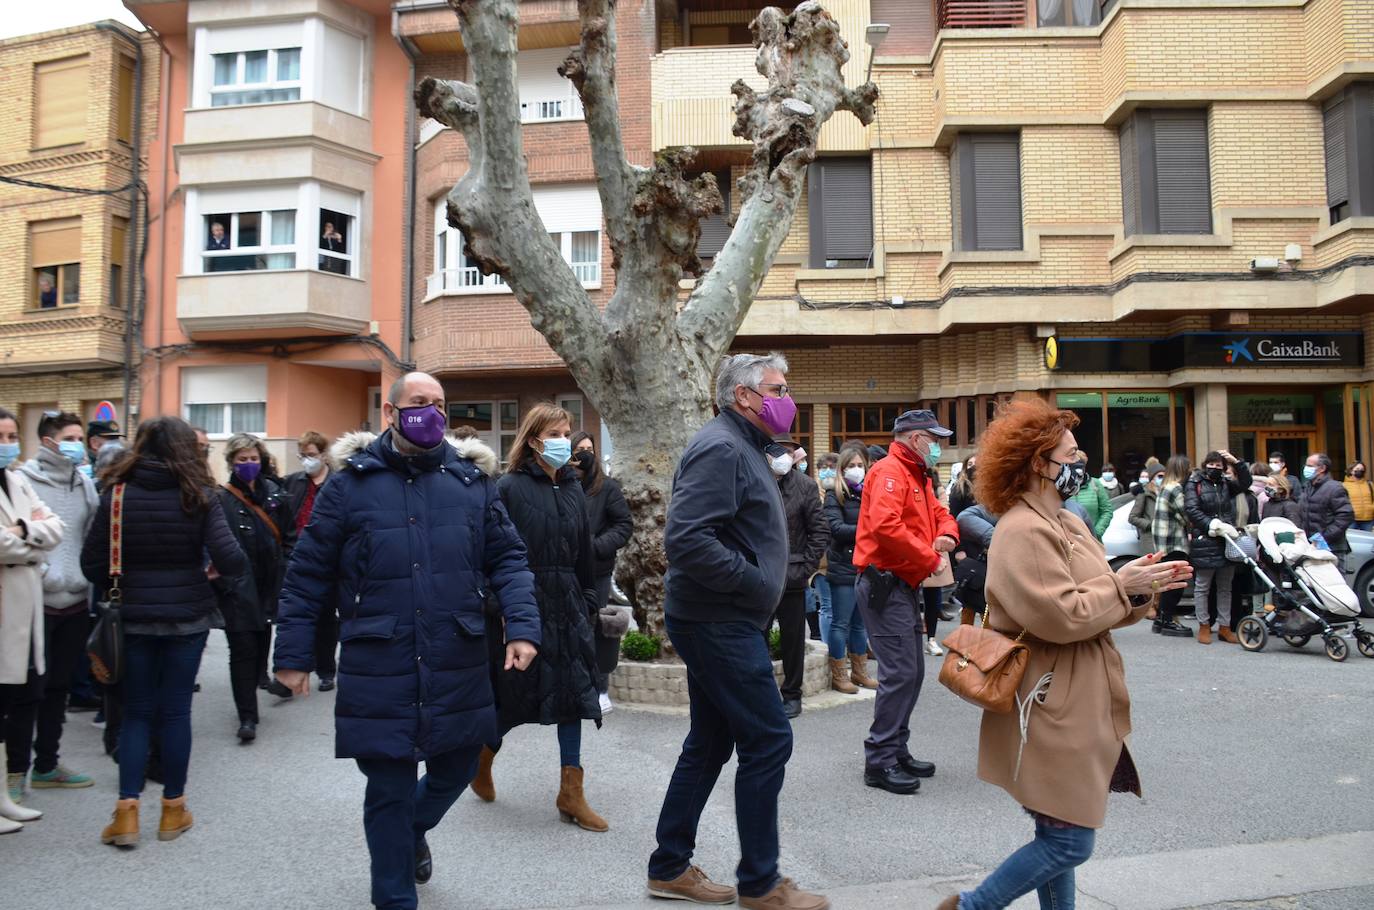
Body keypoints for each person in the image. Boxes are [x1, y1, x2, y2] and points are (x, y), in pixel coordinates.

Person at [272, 371, 540, 910]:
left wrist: (522, 624)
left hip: (456, 655)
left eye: (439, 404)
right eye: (419, 403)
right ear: (390, 415)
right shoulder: (350, 486)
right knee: (388, 788)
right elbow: (308, 573)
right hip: (381, 659)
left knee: (457, 768)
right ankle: (394, 896)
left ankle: (410, 832)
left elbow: (508, 558)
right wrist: (294, 655)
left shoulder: (471, 483)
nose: (432, 413)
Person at [939, 400, 1190, 910]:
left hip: (1075, 696)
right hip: (1051, 702)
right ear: (1038, 462)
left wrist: (1137, 587)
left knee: (1059, 835)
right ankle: (972, 906)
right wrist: (1121, 587)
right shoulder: (1023, 529)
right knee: (1069, 839)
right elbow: (1063, 616)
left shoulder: (1065, 521)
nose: (1081, 463)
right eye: (1071, 454)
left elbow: (1100, 606)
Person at [647, 353, 825, 910]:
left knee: (710, 741)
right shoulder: (722, 448)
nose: (786, 397)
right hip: (718, 619)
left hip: (723, 616)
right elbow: (688, 540)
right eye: (778, 387)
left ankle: (669, 866)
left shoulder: (743, 447)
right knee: (769, 738)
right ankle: (761, 884)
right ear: (745, 397)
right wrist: (755, 585)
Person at [81, 416, 247, 847]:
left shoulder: (114, 496)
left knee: (137, 714)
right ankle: (173, 811)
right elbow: (234, 561)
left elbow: (91, 566)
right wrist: (205, 570)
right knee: (175, 713)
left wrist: (126, 571)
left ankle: (126, 815)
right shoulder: (199, 495)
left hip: (132, 618)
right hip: (188, 618)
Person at [478, 404, 605, 831]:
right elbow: (491, 553)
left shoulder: (572, 487)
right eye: (555, 432)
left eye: (567, 432)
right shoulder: (508, 487)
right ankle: (481, 758)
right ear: (533, 440)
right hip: (524, 606)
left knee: (572, 697)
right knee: (513, 698)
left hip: (568, 605)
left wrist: (588, 599)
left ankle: (572, 793)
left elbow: (585, 551)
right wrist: (500, 610)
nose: (564, 440)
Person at [852, 409, 957, 796]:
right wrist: (930, 557)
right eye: (934, 439)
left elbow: (941, 513)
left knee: (909, 673)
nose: (938, 447)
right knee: (900, 674)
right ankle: (879, 760)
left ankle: (894, 749)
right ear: (915, 439)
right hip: (886, 583)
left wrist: (948, 535)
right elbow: (886, 527)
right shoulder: (891, 472)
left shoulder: (915, 473)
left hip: (901, 584)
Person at [7, 413, 98, 802]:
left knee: (59, 689)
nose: (78, 444)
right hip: (36, 599)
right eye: (70, 438)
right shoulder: (25, 480)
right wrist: (40, 560)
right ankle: (14, 774)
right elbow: (30, 535)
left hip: (76, 600)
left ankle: (47, 764)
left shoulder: (85, 485)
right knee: (27, 691)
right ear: (47, 441)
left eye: (80, 437)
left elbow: (79, 534)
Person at [0, 408, 63, 832]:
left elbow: (55, 528)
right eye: (0, 436)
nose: (7, 444)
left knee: (17, 701)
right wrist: (30, 534)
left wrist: (23, 534)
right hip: (6, 606)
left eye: (9, 436)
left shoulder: (18, 480)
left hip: (24, 607)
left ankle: (4, 796)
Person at [214, 434, 295, 742]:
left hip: (269, 584)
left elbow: (289, 535)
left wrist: (286, 566)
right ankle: (247, 716)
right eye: (242, 459)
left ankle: (259, 681)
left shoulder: (275, 493)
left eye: (253, 459)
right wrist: (228, 581)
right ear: (231, 462)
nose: (249, 464)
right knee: (242, 651)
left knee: (261, 642)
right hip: (237, 587)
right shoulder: (221, 499)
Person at [570, 430, 632, 717]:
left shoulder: (608, 487)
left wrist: (596, 547)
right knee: (572, 627)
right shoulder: (562, 484)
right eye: (579, 448)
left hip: (597, 571)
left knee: (599, 628)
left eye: (589, 448)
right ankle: (575, 687)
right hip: (567, 571)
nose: (585, 453)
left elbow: (622, 525)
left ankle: (601, 687)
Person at [766, 435, 829, 718]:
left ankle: (792, 694)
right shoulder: (757, 481)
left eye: (789, 451)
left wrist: (805, 568)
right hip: (760, 578)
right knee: (756, 638)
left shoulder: (805, 486)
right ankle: (762, 692)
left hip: (793, 577)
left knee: (793, 640)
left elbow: (819, 531)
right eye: (778, 451)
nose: (784, 456)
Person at [282, 431, 338, 692]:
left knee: (326, 618)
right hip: (297, 555)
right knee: (295, 613)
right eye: (303, 456)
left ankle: (326, 670)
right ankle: (291, 669)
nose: (307, 460)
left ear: (324, 455)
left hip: (328, 558)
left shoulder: (338, 483)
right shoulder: (292, 483)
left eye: (312, 455)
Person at [822, 442, 878, 695]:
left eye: (860, 465)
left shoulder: (869, 492)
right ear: (842, 470)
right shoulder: (835, 494)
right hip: (844, 566)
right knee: (840, 624)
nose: (857, 470)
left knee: (860, 625)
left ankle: (860, 672)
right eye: (851, 466)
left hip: (866, 566)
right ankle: (839, 673)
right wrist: (869, 531)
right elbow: (836, 529)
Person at [1183, 450, 1251, 645]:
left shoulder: (1225, 483)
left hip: (1227, 540)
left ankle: (1224, 626)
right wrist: (1211, 525)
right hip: (1205, 539)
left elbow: (1245, 483)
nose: (1214, 468)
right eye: (1211, 464)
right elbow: (1192, 509)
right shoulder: (1194, 483)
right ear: (1205, 465)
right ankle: (1204, 625)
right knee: (1202, 586)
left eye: (1218, 465)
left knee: (1225, 587)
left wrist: (1236, 462)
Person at [1150, 455, 1194, 638]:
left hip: (1163, 541)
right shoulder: (1175, 488)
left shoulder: (1164, 487)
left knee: (1168, 580)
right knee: (1176, 582)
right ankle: (1168, 619)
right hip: (1173, 540)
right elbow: (1185, 514)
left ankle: (1161, 619)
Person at [1300, 452, 1355, 568]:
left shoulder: (1334, 488)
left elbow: (1345, 516)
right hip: (1311, 547)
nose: (1306, 469)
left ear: (1322, 468)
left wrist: (1324, 537)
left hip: (1332, 547)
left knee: (1334, 583)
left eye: (1310, 466)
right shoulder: (1307, 487)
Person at [1127, 458, 1165, 551]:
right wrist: (1150, 525)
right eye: (1160, 476)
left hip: (1165, 540)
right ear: (1152, 478)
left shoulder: (1166, 493)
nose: (1162, 479)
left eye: (1165, 476)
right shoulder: (1144, 493)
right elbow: (1132, 517)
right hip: (1150, 540)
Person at [1070, 463, 1112, 540]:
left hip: (1093, 540)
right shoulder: (1062, 488)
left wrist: (1096, 532)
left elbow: (1107, 511)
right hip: (1070, 541)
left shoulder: (1095, 484)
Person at [1341, 461, 1373, 532]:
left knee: (1367, 541)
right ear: (1351, 471)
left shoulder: (1369, 484)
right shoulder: (1344, 485)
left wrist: (1371, 508)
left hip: (1368, 519)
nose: (1360, 471)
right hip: (1351, 519)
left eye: (1362, 469)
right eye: (1358, 469)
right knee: (1352, 541)